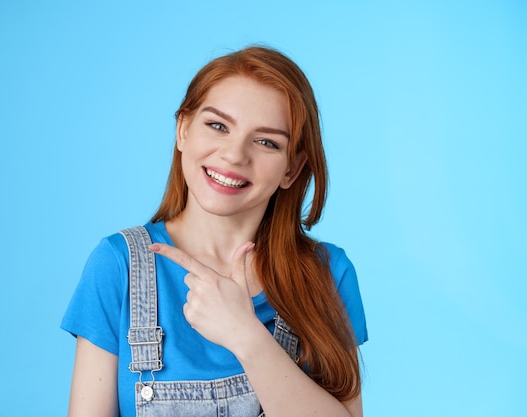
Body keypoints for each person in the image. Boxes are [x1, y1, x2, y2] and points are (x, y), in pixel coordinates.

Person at [61, 46, 368, 417]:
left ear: (292, 168)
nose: (235, 155)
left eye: (267, 142)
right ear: (183, 130)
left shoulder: (327, 274)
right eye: (218, 125)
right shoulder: (118, 266)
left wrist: (247, 335)